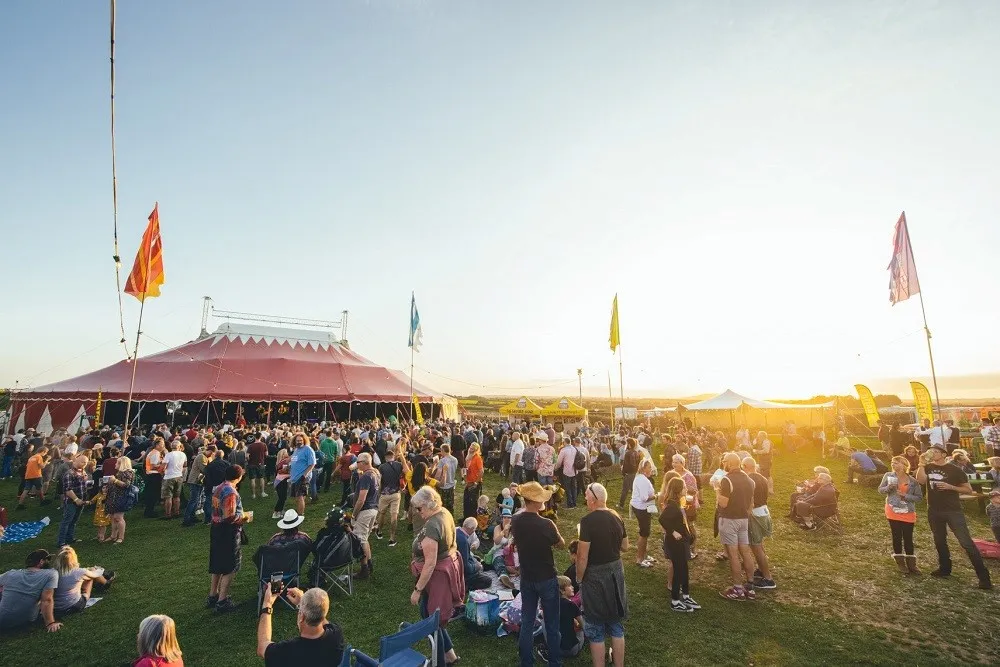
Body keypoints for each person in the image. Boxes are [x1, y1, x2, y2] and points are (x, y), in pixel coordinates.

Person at [914, 444, 992, 589]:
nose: (933, 453)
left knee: (966, 542)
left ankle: (984, 578)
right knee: (939, 540)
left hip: (953, 511)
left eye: (936, 451)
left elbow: (968, 489)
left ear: (944, 454)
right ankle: (945, 569)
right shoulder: (928, 467)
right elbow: (921, 481)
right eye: (931, 451)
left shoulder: (954, 470)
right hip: (934, 510)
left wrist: (951, 487)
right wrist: (921, 463)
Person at [511, 481, 565, 667]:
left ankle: (526, 662)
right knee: (551, 624)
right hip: (546, 577)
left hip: (527, 577)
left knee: (527, 622)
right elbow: (561, 544)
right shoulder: (546, 524)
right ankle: (555, 662)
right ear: (535, 501)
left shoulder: (516, 520)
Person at [409, 486, 464, 666]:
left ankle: (439, 660)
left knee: (432, 620)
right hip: (440, 574)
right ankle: (450, 656)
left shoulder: (433, 524)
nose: (418, 512)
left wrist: (418, 590)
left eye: (419, 508)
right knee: (431, 617)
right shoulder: (444, 512)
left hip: (435, 577)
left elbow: (430, 562)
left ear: (430, 504)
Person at [577, 482, 628, 667]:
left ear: (593, 499)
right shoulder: (617, 516)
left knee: (595, 624)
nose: (585, 499)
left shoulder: (587, 521)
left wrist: (579, 578)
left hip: (595, 575)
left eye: (586, 496)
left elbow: (582, 557)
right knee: (615, 623)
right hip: (616, 572)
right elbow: (625, 546)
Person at [257, 586, 345, 665]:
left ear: (301, 617)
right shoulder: (336, 635)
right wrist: (305, 603)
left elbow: (262, 647)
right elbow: (322, 617)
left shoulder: (286, 651)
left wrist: (267, 604)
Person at [208, 464, 253, 612]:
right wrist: (245, 516)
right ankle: (222, 601)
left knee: (217, 563)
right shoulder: (230, 492)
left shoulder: (218, 488)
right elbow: (230, 517)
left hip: (216, 528)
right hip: (227, 531)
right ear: (239, 477)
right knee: (229, 566)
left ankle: (213, 595)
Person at [716, 452, 757, 601]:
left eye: (724, 460)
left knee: (733, 554)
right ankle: (750, 586)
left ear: (730, 463)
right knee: (745, 552)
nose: (723, 463)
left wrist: (717, 490)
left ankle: (737, 589)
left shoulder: (726, 480)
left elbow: (723, 503)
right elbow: (751, 503)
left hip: (729, 519)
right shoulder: (749, 479)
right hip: (744, 520)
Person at [658, 477, 699, 612]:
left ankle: (686, 596)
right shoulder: (671, 505)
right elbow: (662, 519)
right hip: (675, 543)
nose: (686, 489)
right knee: (678, 570)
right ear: (678, 489)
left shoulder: (677, 502)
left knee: (684, 569)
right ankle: (675, 601)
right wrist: (673, 532)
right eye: (684, 487)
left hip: (682, 542)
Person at [878, 455, 923, 575]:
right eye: (892, 462)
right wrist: (888, 487)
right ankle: (900, 563)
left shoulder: (913, 481)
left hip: (908, 511)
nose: (893, 464)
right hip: (892, 509)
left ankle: (912, 564)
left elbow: (919, 498)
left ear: (904, 465)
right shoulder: (888, 476)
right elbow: (880, 490)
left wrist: (905, 496)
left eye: (896, 463)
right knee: (896, 535)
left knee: (908, 537)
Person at [0, 549, 61, 632]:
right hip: (25, 620)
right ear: (41, 562)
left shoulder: (10, 574)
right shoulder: (51, 574)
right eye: (48, 560)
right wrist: (50, 623)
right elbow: (47, 600)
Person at [742, 457, 776, 589]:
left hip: (755, 514)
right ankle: (762, 570)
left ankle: (768, 579)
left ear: (745, 466)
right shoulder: (762, 478)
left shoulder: (749, 480)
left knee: (756, 547)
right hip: (764, 512)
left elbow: (749, 500)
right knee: (759, 545)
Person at [52, 546, 114, 617]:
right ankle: (105, 583)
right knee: (89, 577)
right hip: (74, 605)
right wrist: (98, 569)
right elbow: (96, 574)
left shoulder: (52, 572)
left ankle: (105, 580)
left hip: (56, 608)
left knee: (85, 575)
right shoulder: (78, 572)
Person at [536, 575, 585, 663]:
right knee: (582, 627)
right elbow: (583, 626)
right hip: (572, 650)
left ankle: (548, 647)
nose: (573, 587)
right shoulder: (571, 605)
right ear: (562, 591)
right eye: (569, 585)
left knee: (543, 618)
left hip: (556, 649)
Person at [351, 452, 380, 580]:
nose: (357, 464)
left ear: (364, 462)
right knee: (365, 538)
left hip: (365, 510)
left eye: (358, 462)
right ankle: (369, 564)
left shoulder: (366, 477)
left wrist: (354, 514)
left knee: (360, 540)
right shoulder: (376, 473)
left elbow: (361, 499)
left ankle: (364, 569)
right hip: (374, 508)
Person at [630, 459, 658, 568]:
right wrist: (656, 496)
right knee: (644, 534)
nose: (651, 469)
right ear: (643, 468)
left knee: (645, 533)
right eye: (649, 467)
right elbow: (644, 498)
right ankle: (640, 559)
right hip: (642, 509)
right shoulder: (642, 480)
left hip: (642, 508)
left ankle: (644, 555)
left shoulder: (641, 478)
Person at [57, 455, 90, 547]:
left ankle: (70, 538)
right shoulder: (69, 473)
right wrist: (76, 499)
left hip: (81, 501)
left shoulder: (83, 472)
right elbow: (68, 490)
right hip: (71, 502)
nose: (85, 464)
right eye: (83, 462)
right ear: (75, 461)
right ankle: (61, 542)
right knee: (67, 521)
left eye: (86, 462)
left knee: (74, 520)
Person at [375, 448, 406, 547]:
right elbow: (405, 473)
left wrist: (379, 493)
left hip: (385, 493)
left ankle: (379, 532)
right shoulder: (399, 465)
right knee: (394, 516)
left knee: (381, 513)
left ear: (385, 457)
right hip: (396, 493)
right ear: (393, 457)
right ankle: (392, 538)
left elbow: (379, 482)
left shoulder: (381, 467)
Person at [106, 456, 136, 544]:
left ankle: (121, 537)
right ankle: (113, 535)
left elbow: (126, 485)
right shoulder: (120, 473)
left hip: (123, 498)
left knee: (118, 517)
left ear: (122, 464)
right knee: (113, 517)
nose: (115, 464)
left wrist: (114, 481)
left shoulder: (127, 473)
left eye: (117, 462)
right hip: (115, 497)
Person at [456, 517, 491, 591]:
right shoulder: (463, 541)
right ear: (471, 529)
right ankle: (466, 587)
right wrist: (477, 566)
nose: (474, 531)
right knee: (488, 580)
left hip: (460, 564)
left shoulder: (456, 531)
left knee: (477, 559)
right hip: (462, 572)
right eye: (474, 529)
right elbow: (465, 567)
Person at [181, 446, 210, 527]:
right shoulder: (201, 457)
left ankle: (192, 516)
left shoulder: (203, 457)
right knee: (193, 500)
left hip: (198, 481)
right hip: (195, 481)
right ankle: (186, 519)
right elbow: (204, 469)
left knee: (196, 500)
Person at [289, 434, 316, 517]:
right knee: (299, 497)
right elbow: (294, 461)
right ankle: (299, 512)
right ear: (294, 441)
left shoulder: (308, 449)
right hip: (295, 477)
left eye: (301, 440)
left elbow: (312, 464)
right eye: (297, 440)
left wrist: (304, 475)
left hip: (302, 477)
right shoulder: (296, 449)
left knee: (299, 496)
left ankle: (300, 515)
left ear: (304, 440)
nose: (299, 442)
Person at [15, 445, 48, 509]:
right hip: (36, 475)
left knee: (26, 490)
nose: (46, 454)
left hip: (28, 475)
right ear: (43, 451)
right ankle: (42, 501)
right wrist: (46, 461)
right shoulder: (39, 457)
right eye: (46, 452)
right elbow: (42, 466)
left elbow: (29, 466)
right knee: (40, 488)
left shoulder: (31, 457)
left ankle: (20, 505)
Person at [161, 440, 187, 520]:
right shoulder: (183, 454)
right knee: (177, 496)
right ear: (179, 446)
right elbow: (185, 466)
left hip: (169, 476)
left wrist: (163, 473)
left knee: (168, 497)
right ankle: (177, 512)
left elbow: (163, 467)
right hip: (179, 476)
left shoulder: (168, 455)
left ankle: (168, 514)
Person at [143, 437, 167, 518]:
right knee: (152, 494)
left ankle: (149, 510)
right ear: (157, 445)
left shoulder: (154, 452)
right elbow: (153, 466)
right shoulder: (155, 453)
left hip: (151, 475)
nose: (163, 446)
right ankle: (149, 511)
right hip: (153, 475)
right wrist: (162, 466)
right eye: (162, 444)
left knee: (151, 494)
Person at [435, 444, 459, 516]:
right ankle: (451, 516)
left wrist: (434, 481)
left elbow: (438, 474)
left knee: (443, 505)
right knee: (451, 504)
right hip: (451, 484)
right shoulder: (455, 459)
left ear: (442, 450)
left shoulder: (442, 461)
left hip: (443, 485)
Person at [463, 442, 484, 520]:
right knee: (466, 500)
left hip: (474, 482)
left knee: (472, 502)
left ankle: (472, 519)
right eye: (471, 446)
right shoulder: (469, 457)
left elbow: (481, 471)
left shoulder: (477, 458)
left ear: (476, 449)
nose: (471, 447)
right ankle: (466, 517)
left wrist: (476, 482)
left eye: (473, 447)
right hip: (469, 482)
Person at [618, 438, 641, 510]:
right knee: (634, 490)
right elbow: (638, 463)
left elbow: (625, 465)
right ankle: (637, 505)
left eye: (627, 443)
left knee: (625, 490)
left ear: (630, 445)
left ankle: (621, 505)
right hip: (634, 473)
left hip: (628, 474)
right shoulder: (636, 452)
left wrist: (623, 473)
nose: (626, 445)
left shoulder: (628, 453)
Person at [555, 440, 578, 508]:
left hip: (567, 471)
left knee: (567, 488)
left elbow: (559, 462)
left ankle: (570, 504)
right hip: (574, 470)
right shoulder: (575, 449)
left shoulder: (563, 450)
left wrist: (556, 468)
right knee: (574, 487)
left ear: (565, 442)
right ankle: (574, 502)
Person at [247, 435, 269, 499]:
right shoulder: (264, 445)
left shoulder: (251, 445)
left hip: (252, 464)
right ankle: (262, 493)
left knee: (252, 479)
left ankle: (253, 494)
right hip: (260, 463)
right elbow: (266, 454)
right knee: (261, 478)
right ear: (261, 437)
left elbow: (247, 456)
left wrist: (249, 460)